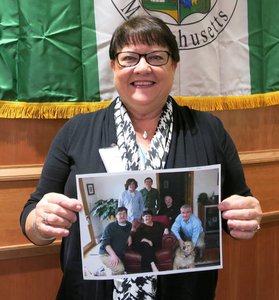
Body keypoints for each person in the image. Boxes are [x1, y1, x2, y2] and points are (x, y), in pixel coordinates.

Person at [19, 15, 262, 300]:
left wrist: (248, 219)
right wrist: (40, 223)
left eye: (157, 57)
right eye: (129, 58)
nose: (143, 67)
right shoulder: (76, 131)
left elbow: (237, 208)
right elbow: (32, 216)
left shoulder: (209, 130)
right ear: (113, 66)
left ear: (174, 65)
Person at [99, 207, 132, 275]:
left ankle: (106, 270)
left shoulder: (129, 225)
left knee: (125, 269)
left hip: (119, 254)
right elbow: (106, 244)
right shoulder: (109, 227)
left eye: (124, 213)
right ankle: (105, 273)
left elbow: (127, 231)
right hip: (106, 254)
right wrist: (113, 255)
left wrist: (129, 236)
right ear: (116, 216)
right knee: (120, 269)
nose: (122, 216)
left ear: (127, 215)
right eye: (119, 214)